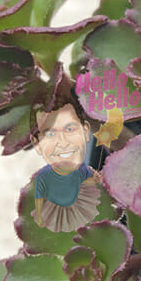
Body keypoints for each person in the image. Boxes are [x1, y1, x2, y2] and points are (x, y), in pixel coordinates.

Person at [29, 93, 104, 232]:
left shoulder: (81, 169)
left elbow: (87, 181)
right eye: (51, 134)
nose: (63, 142)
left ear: (86, 131)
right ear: (37, 144)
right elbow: (39, 197)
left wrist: (97, 180)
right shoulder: (44, 176)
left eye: (70, 130)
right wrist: (39, 216)